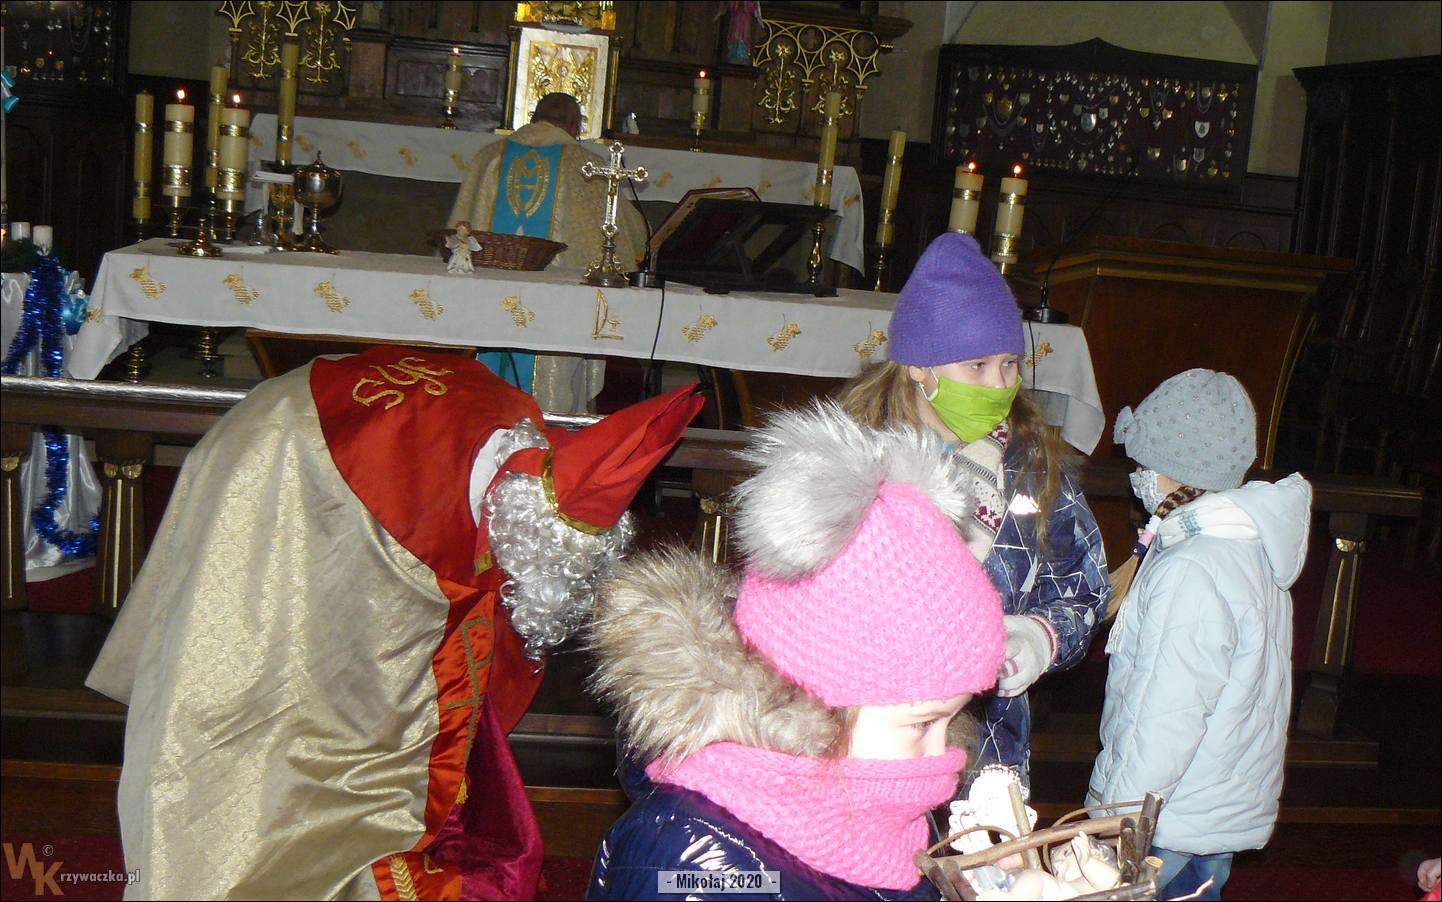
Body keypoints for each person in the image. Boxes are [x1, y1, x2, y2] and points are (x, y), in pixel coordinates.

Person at [85, 345, 702, 900]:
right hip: (289, 450)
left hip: (359, 440)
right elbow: (394, 636)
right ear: (522, 522)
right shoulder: (418, 519)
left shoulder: (508, 450)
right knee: (253, 653)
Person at [586, 402, 1007, 900]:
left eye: (949, 719)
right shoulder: (691, 858)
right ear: (819, 703)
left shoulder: (879, 799)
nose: (945, 756)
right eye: (922, 724)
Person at [837, 231, 1109, 790]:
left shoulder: (1034, 464)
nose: (999, 385)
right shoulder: (854, 459)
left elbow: (1082, 585)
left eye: (1009, 365)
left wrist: (1039, 636)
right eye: (978, 366)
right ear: (919, 367)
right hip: (866, 737)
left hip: (988, 744)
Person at [1087, 368, 1311, 901]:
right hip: (1211, 804)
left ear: (1169, 471)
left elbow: (1166, 714)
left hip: (1166, 820)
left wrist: (1119, 819)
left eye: (1142, 465)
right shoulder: (1244, 546)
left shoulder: (1192, 568)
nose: (1137, 476)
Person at [448, 92, 648, 413]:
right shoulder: (586, 166)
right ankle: (552, 427)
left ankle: (481, 420)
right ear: (574, 126)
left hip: (490, 296)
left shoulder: (489, 157)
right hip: (558, 306)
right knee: (554, 387)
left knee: (484, 392)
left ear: (533, 118)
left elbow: (459, 229)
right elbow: (627, 237)